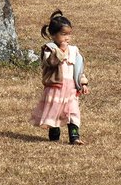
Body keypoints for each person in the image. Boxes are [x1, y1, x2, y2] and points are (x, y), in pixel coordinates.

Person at [30, 10, 90, 144]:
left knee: (73, 112)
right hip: (56, 87)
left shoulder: (74, 50)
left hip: (71, 88)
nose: (67, 38)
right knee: (55, 113)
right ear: (53, 35)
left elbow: (79, 69)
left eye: (69, 34)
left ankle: (75, 137)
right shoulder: (49, 49)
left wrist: (83, 83)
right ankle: (54, 136)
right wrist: (60, 51)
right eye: (63, 34)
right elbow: (50, 63)